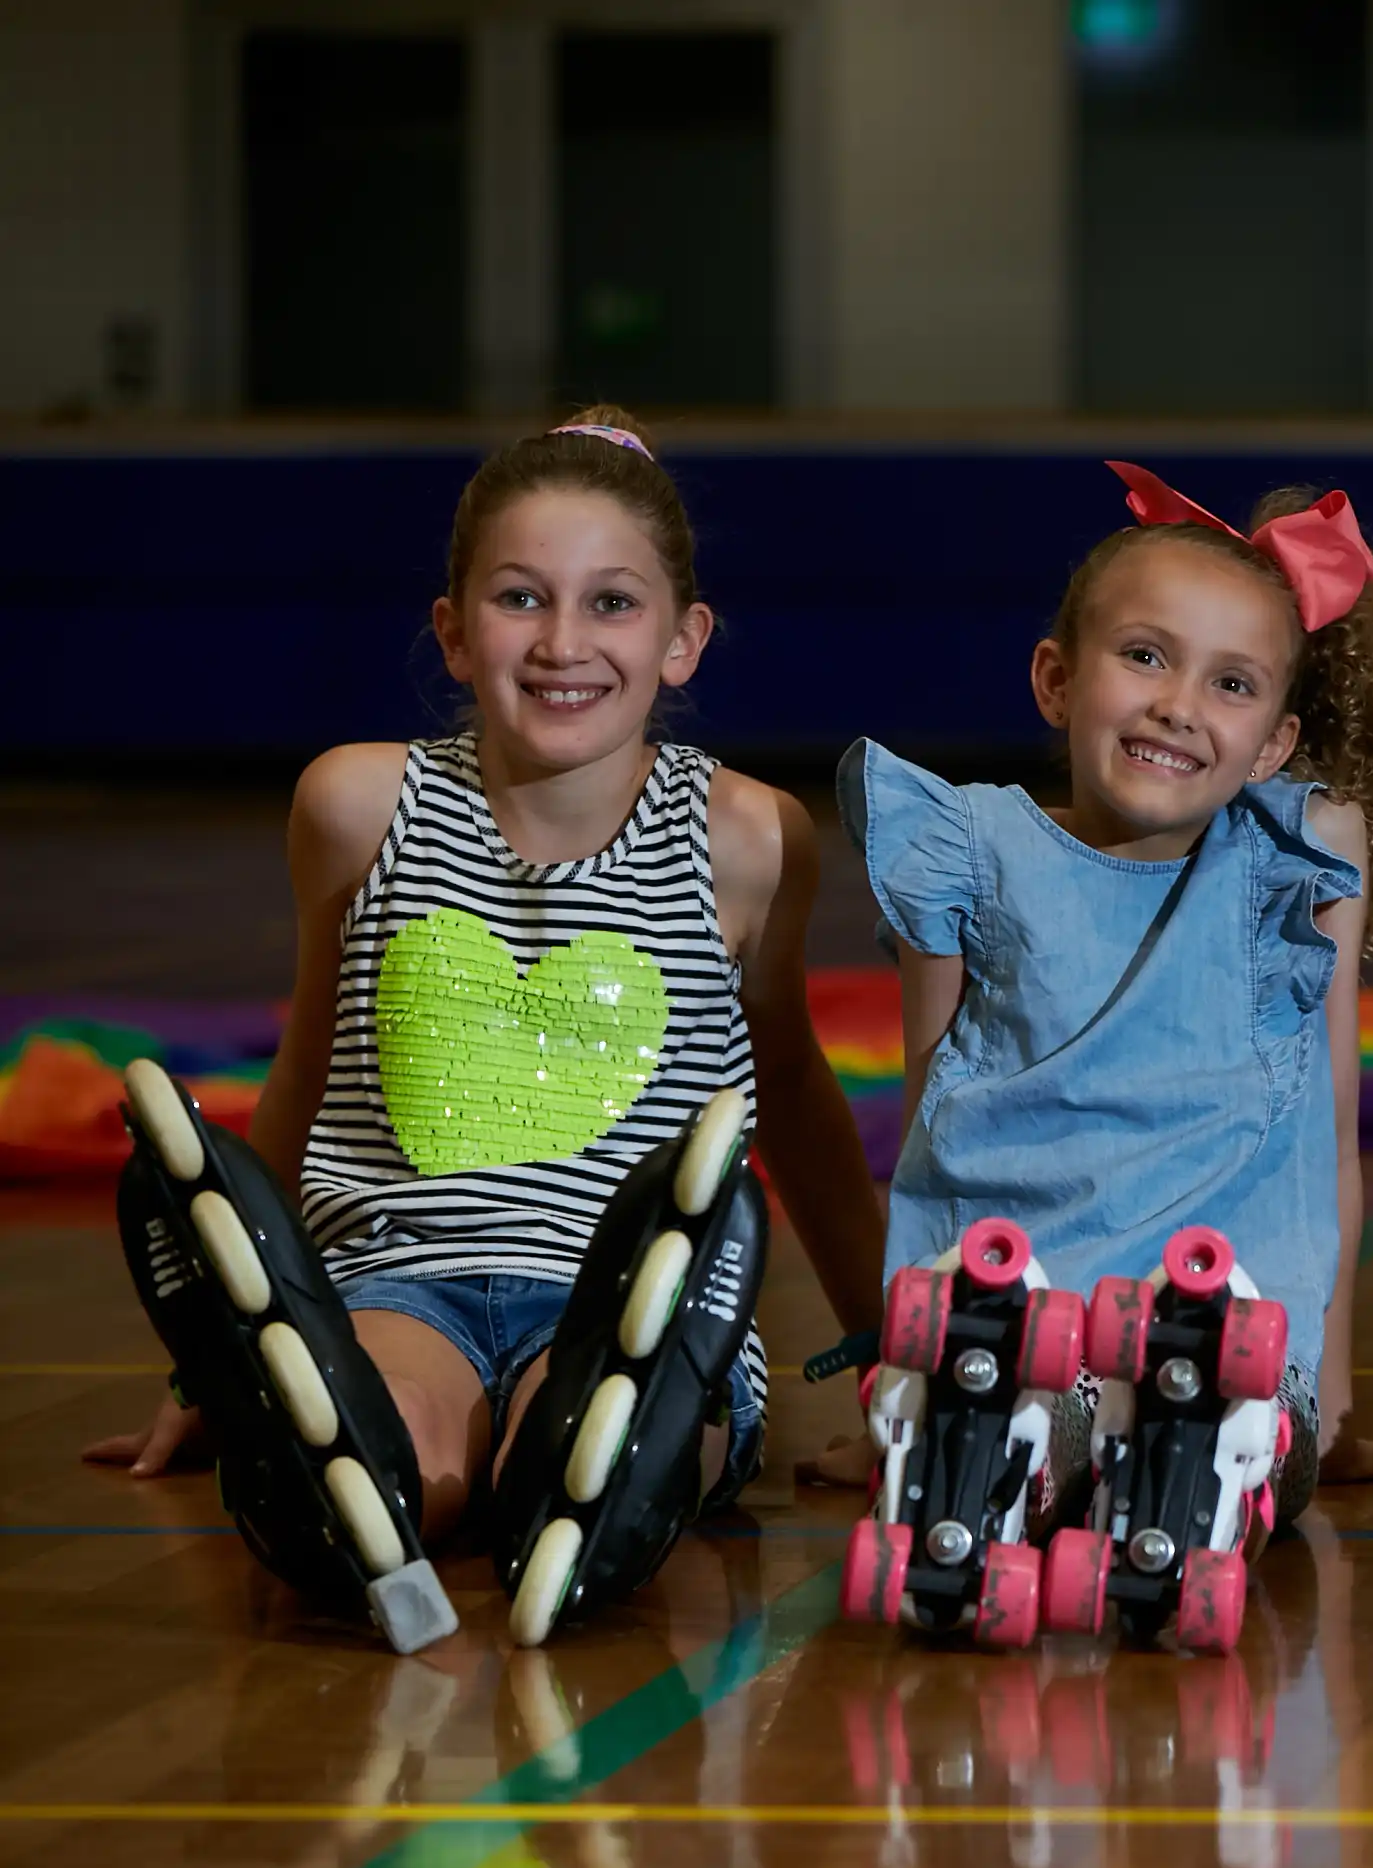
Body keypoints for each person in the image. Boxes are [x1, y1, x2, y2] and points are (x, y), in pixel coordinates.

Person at [92, 409, 886, 1650]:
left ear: (685, 641)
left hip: (640, 1286)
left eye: (612, 603)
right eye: (522, 598)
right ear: (454, 631)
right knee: (404, 1447)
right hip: (405, 1273)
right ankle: (327, 1455)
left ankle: (595, 1448)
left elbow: (788, 1087)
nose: (564, 641)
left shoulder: (746, 837)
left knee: (593, 1437)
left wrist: (888, 1349)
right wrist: (210, 1367)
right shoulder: (357, 804)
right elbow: (307, 1066)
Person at [822, 462, 1373, 1563]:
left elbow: (1329, 1133)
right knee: (1018, 1387)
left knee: (1223, 1408)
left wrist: (1330, 1397)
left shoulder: (1295, 857)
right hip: (1012, 1312)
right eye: (1145, 656)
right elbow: (930, 1120)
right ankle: (984, 1448)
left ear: (1274, 746)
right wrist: (893, 1365)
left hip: (1229, 1332)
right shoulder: (967, 845)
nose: (1177, 705)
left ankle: (1164, 1462)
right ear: (1057, 679)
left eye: (1232, 684)